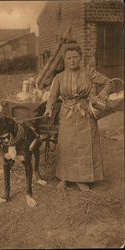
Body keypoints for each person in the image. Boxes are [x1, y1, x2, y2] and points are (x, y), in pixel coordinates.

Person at [44, 44, 113, 191]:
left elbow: (109, 82)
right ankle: (64, 178)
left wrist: (105, 92)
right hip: (66, 115)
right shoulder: (59, 77)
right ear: (65, 59)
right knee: (66, 146)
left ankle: (82, 180)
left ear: (80, 58)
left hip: (85, 114)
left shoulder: (89, 73)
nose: (72, 60)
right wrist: (49, 109)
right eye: (69, 58)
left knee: (84, 146)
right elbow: (52, 97)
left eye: (75, 57)